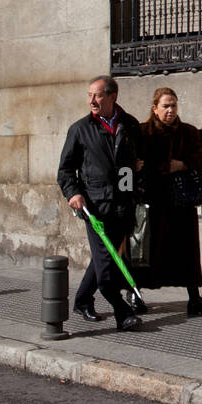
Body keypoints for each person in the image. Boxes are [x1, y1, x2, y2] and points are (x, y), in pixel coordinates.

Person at [57, 76, 144, 331]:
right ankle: (122, 313)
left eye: (97, 96)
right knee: (107, 268)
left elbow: (138, 160)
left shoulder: (130, 125)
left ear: (112, 96)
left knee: (102, 260)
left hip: (123, 206)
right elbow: (65, 170)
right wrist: (72, 193)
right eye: (89, 96)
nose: (92, 101)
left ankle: (82, 301)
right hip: (95, 208)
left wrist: (137, 177)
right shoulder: (80, 129)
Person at [136, 88, 202, 316]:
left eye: (173, 105)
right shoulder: (143, 133)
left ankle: (194, 298)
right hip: (152, 200)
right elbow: (133, 163)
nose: (170, 110)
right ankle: (135, 294)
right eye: (165, 106)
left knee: (187, 250)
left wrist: (182, 165)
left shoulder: (188, 132)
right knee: (146, 249)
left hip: (181, 200)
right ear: (155, 108)